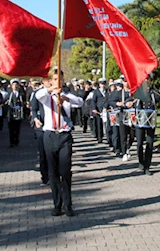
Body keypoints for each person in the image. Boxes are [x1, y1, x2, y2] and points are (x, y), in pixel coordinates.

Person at [35, 69, 84, 216]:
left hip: (64, 136)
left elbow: (80, 102)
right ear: (50, 80)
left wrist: (65, 99)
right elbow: (39, 95)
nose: (58, 81)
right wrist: (51, 89)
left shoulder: (66, 95)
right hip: (50, 136)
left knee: (65, 171)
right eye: (55, 79)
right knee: (53, 173)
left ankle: (68, 204)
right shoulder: (45, 96)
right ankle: (57, 204)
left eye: (60, 79)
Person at [133, 75, 160, 175]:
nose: (146, 80)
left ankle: (147, 166)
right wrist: (128, 104)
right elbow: (130, 101)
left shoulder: (153, 92)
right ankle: (141, 161)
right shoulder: (137, 91)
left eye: (148, 79)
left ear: (150, 80)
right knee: (140, 143)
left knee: (149, 144)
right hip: (140, 121)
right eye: (144, 79)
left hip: (151, 121)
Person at [28, 82, 49, 186]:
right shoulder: (38, 93)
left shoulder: (57, 93)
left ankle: (55, 175)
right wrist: (35, 118)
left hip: (54, 127)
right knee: (43, 153)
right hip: (41, 126)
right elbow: (34, 108)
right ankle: (45, 177)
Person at [7, 79, 25, 147]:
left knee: (17, 128)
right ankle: (12, 142)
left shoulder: (21, 94)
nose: (15, 86)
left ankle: (16, 140)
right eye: (13, 85)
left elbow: (23, 102)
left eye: (16, 85)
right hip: (11, 113)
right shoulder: (9, 93)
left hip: (18, 113)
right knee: (11, 128)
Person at [91, 79, 108, 144]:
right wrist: (94, 108)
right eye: (101, 84)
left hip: (106, 109)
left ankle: (108, 137)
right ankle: (99, 137)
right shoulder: (96, 91)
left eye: (103, 84)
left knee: (106, 124)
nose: (102, 85)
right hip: (98, 109)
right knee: (99, 124)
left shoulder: (107, 91)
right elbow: (93, 101)